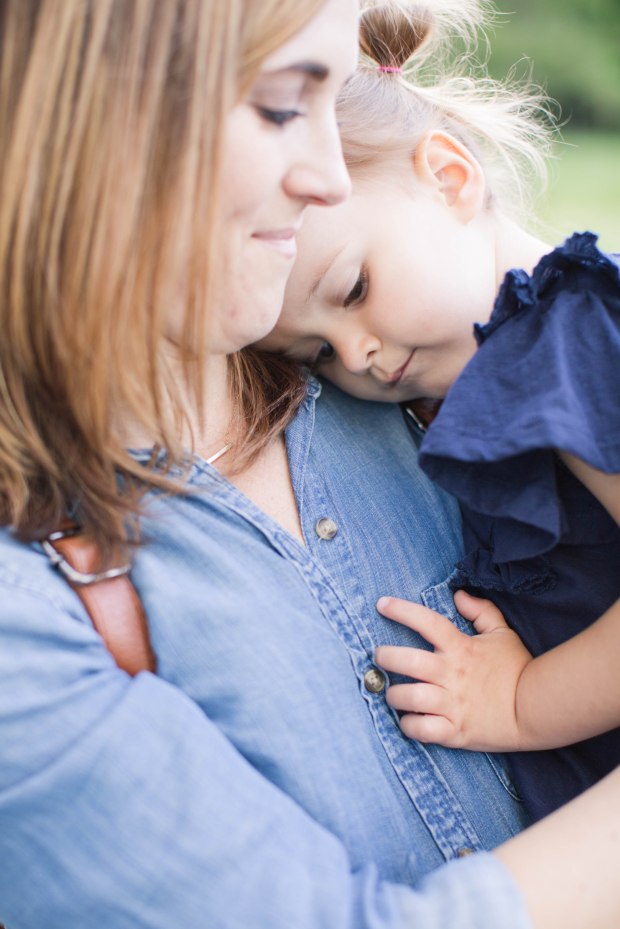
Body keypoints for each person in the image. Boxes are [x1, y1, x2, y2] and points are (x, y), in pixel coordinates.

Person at [0, 2, 619, 929]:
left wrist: (528, 701)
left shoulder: (457, 379)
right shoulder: (35, 604)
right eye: (286, 105)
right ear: (105, 121)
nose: (327, 176)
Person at [259, 0, 620, 824]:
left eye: (353, 290)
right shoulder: (482, 371)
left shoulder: (571, 335)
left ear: (450, 179)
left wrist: (524, 698)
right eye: (316, 353)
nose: (355, 355)